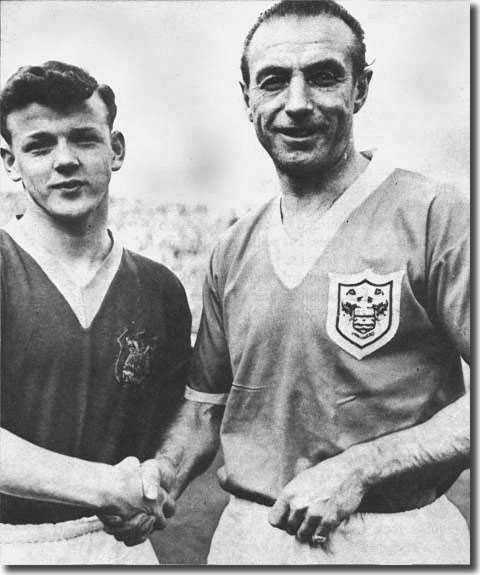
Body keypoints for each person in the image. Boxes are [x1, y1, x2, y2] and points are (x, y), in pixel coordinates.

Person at [103, 0, 470, 565]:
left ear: (360, 89)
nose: (296, 104)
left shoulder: (434, 213)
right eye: (274, 81)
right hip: (251, 537)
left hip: (396, 536)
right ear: (248, 96)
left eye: (323, 77)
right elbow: (206, 406)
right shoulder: (235, 247)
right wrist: (163, 477)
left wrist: (362, 468)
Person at [0, 61, 191, 565]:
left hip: (121, 543)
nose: (65, 161)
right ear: (10, 161)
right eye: (40, 146)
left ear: (117, 149)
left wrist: (157, 482)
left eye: (84, 139)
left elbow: (183, 417)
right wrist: (104, 485)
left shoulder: (160, 288)